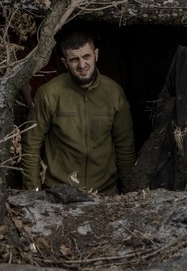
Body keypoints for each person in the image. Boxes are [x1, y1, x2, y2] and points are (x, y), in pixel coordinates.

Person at [21, 31, 135, 194]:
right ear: (65, 62)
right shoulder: (49, 93)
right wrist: (33, 192)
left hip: (105, 191)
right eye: (74, 59)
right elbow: (31, 144)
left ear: (96, 55)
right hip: (59, 191)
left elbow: (124, 146)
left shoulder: (114, 93)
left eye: (86, 57)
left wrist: (129, 190)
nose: (82, 65)